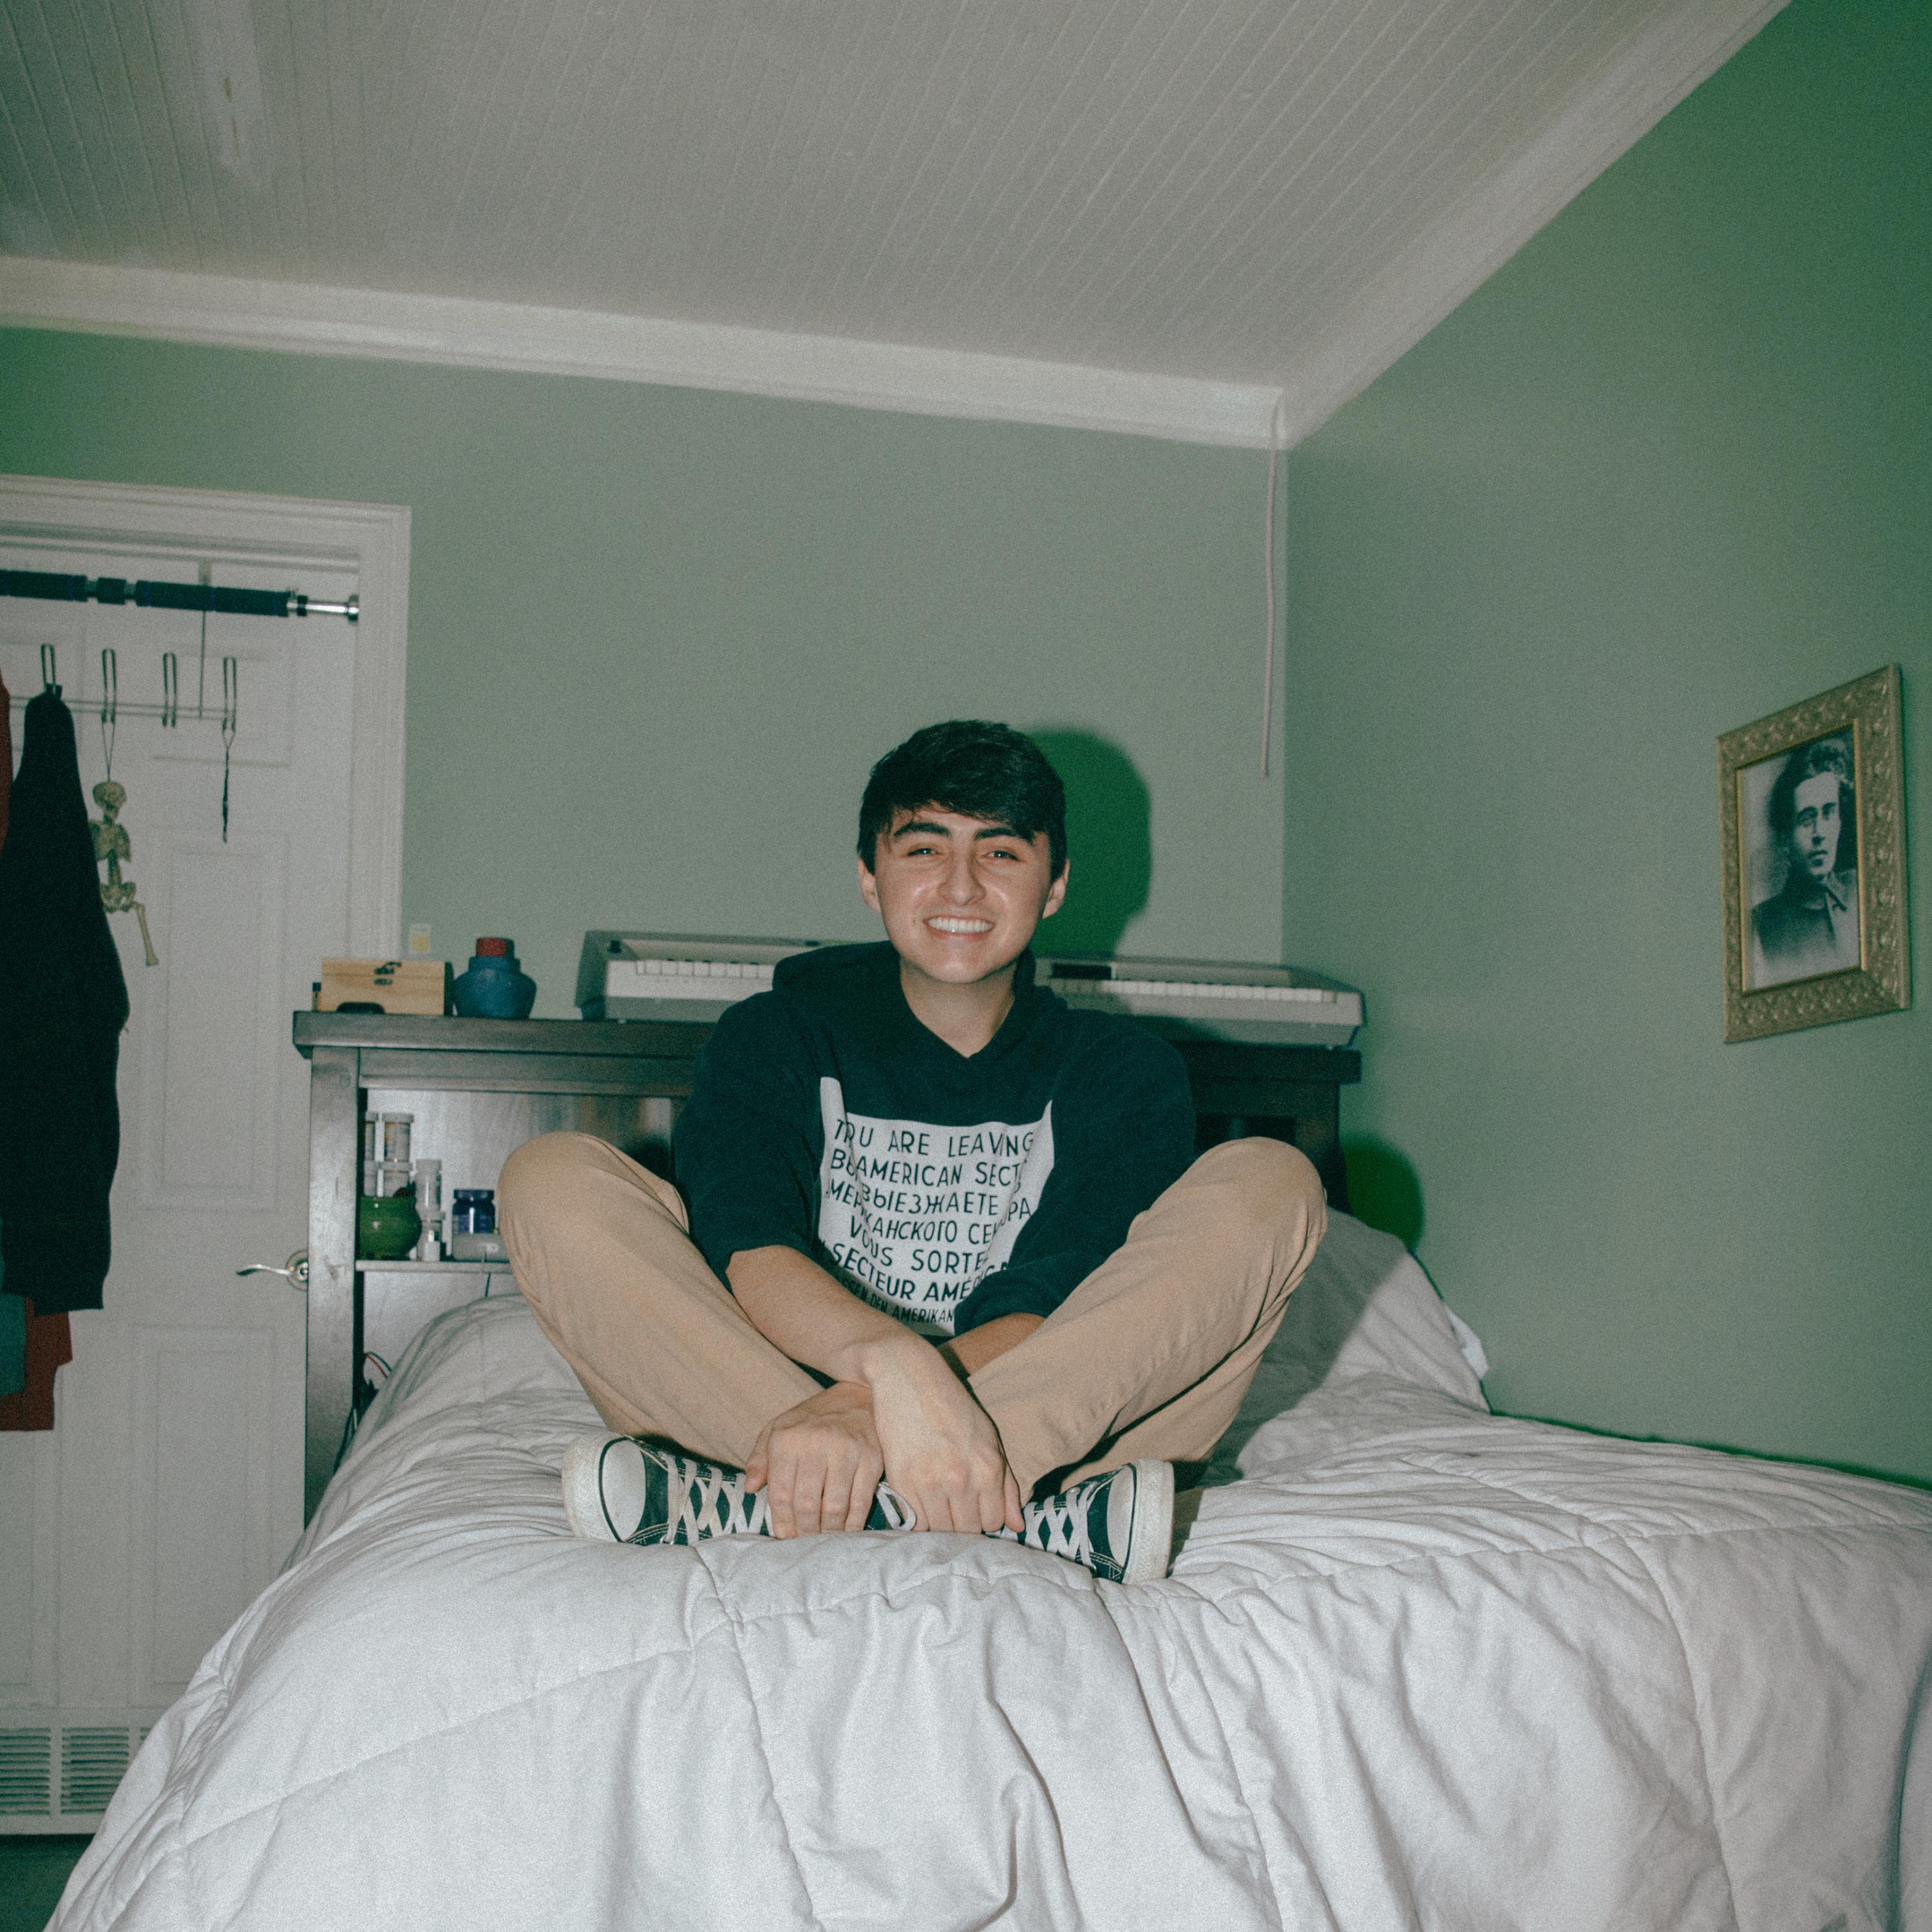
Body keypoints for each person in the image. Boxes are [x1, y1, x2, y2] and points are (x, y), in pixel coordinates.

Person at [500, 720, 1327, 1585]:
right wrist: (888, 1367)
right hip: (776, 1403)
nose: (961, 886)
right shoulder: (772, 1037)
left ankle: (810, 1501)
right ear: (870, 876)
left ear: (1054, 884)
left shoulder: (1123, 1070)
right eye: (925, 849)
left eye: (1001, 853)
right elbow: (751, 1247)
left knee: (1271, 1181)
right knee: (551, 1178)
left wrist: (866, 1416)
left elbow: (1061, 1296)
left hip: (1058, 1436)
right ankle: (1012, 1522)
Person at [1750, 736, 1859, 987]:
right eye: (1807, 819)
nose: (1820, 833)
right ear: (1786, 839)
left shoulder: (1861, 889)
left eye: (1829, 813)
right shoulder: (1764, 923)